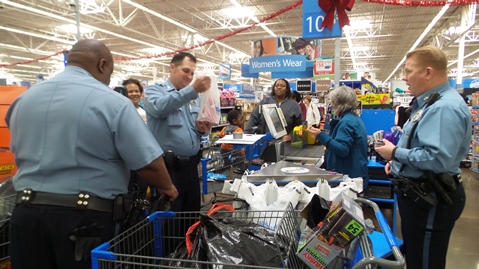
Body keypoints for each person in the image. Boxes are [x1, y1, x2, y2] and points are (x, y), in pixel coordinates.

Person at [4, 39, 178, 269]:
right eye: (110, 73)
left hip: (25, 216)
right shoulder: (114, 103)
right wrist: (168, 187)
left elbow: (17, 150)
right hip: (84, 223)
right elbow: (148, 164)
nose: (108, 80)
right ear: (102, 64)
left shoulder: (23, 100)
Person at [374, 45, 470, 269]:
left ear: (428, 72)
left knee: (425, 262)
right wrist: (397, 162)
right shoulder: (431, 103)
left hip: (432, 198)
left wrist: (395, 153)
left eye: (408, 71)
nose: (404, 78)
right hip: (422, 195)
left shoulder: (443, 108)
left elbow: (437, 159)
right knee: (417, 257)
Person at [144, 52, 212, 213]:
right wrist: (192, 90)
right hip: (168, 169)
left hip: (191, 167)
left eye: (192, 73)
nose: (189, 76)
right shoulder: (155, 91)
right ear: (172, 67)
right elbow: (159, 108)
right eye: (186, 71)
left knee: (191, 213)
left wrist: (202, 130)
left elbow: (196, 129)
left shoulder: (195, 98)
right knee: (170, 218)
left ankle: (189, 239)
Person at [307, 86, 369, 189]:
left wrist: (320, 135)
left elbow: (342, 149)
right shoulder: (353, 118)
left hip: (349, 178)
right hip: (355, 174)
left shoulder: (347, 122)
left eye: (332, 102)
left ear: (338, 104)